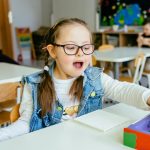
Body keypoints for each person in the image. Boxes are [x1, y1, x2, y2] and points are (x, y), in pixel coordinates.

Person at [0, 18, 150, 141]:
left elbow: (122, 90)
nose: (80, 54)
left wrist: (147, 97)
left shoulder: (94, 78)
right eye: (71, 47)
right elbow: (26, 123)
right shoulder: (34, 85)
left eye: (86, 47)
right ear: (52, 51)